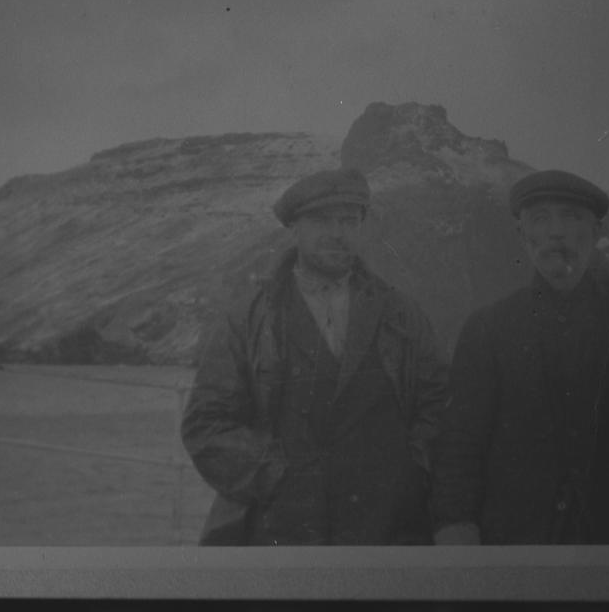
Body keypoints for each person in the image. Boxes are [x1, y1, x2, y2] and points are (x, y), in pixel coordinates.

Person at [430, 169, 609, 545]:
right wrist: (457, 531)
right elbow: (459, 446)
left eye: (572, 216)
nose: (556, 232)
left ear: (596, 232)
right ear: (522, 236)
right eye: (540, 219)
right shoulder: (486, 329)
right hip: (514, 549)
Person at [182, 167, 447, 545]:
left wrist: (410, 471)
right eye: (322, 220)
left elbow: (438, 404)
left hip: (387, 529)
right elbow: (205, 425)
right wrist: (273, 475)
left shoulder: (402, 315)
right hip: (283, 531)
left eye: (349, 220)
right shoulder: (249, 319)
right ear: (294, 228)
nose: (338, 233)